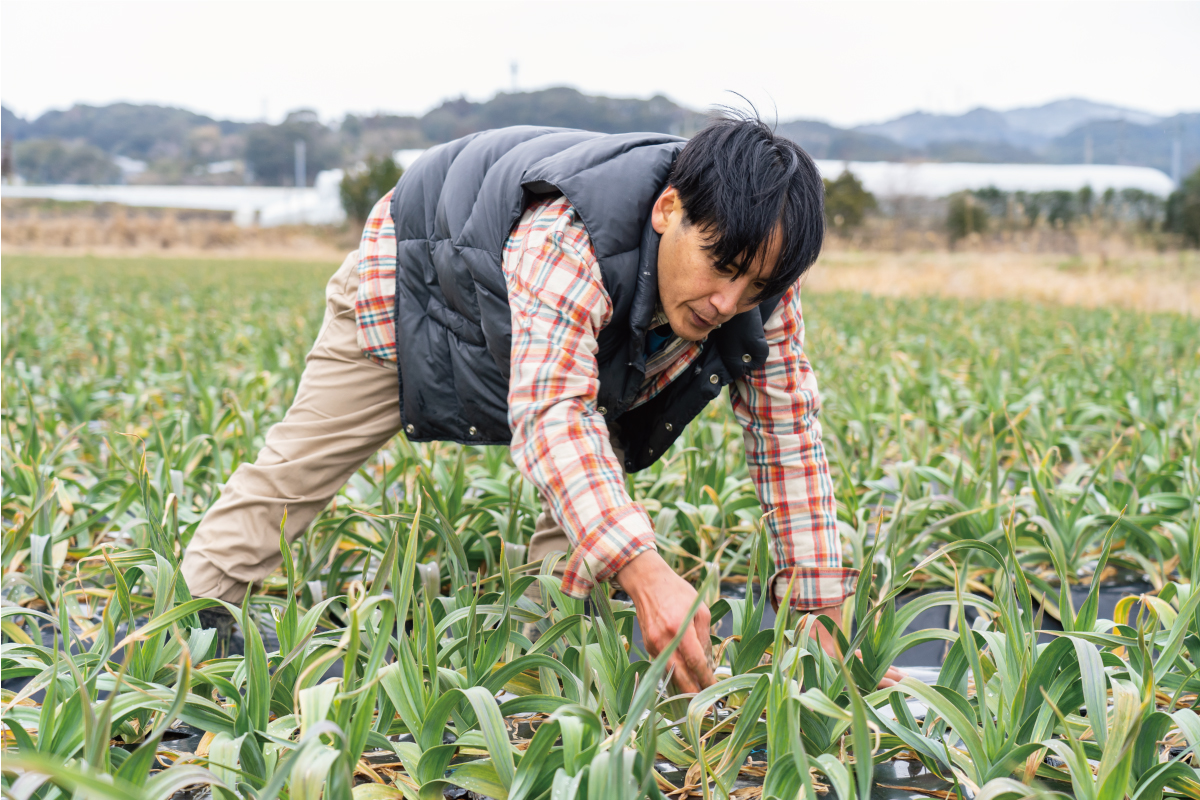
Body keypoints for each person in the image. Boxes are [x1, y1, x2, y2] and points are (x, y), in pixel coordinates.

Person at [181, 112, 903, 691]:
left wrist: (822, 612)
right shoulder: (570, 235)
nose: (728, 303)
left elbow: (787, 432)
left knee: (590, 517)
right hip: (413, 285)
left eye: (756, 288)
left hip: (595, 337)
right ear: (667, 210)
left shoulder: (756, 272)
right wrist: (648, 574)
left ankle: (536, 675)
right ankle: (173, 630)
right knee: (299, 468)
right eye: (722, 270)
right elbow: (553, 415)